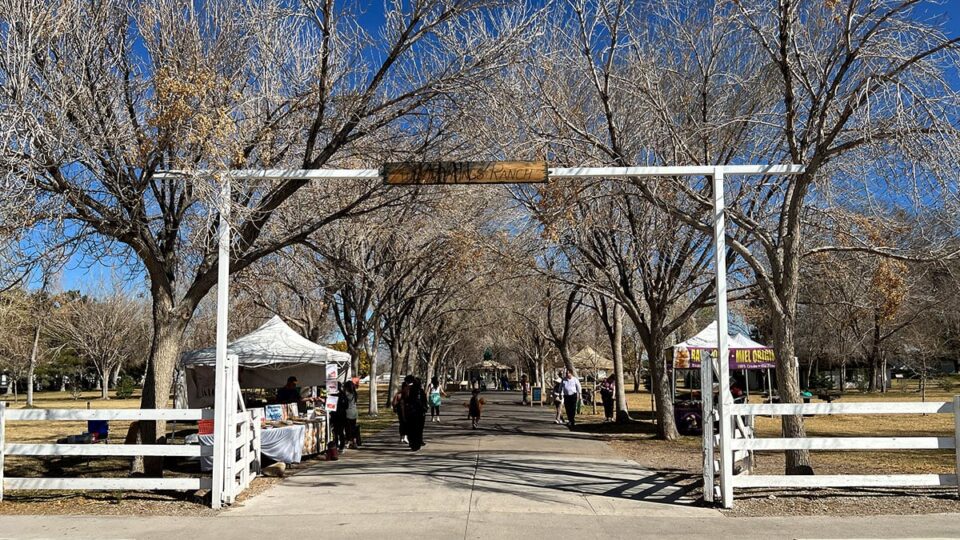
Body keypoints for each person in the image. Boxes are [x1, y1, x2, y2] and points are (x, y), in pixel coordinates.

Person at [403, 378, 428, 451]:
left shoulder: (409, 390)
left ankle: (413, 442)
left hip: (411, 412)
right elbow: (425, 401)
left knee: (411, 428)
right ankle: (417, 442)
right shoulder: (421, 391)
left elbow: (406, 400)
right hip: (419, 413)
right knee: (419, 428)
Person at [393, 376, 413, 444]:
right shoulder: (407, 392)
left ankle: (402, 437)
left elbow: (394, 403)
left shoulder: (398, 393)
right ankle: (405, 437)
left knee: (401, 424)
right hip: (405, 410)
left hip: (399, 410)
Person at [341, 380, 361, 449]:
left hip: (348, 413)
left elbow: (343, 402)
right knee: (353, 428)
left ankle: (348, 441)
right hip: (354, 412)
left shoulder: (347, 394)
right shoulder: (355, 394)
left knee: (348, 428)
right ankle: (354, 442)